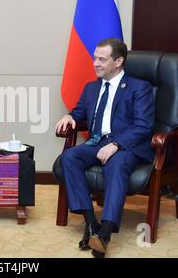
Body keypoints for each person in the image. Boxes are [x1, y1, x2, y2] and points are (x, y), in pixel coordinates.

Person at [55, 38, 154, 258]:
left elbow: (143, 126)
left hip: (128, 146)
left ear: (118, 61)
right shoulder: (91, 88)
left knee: (116, 163)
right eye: (94, 58)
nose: (95, 63)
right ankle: (91, 224)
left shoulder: (140, 87)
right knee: (69, 157)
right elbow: (79, 111)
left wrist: (116, 144)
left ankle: (106, 232)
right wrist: (69, 116)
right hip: (97, 142)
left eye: (102, 59)